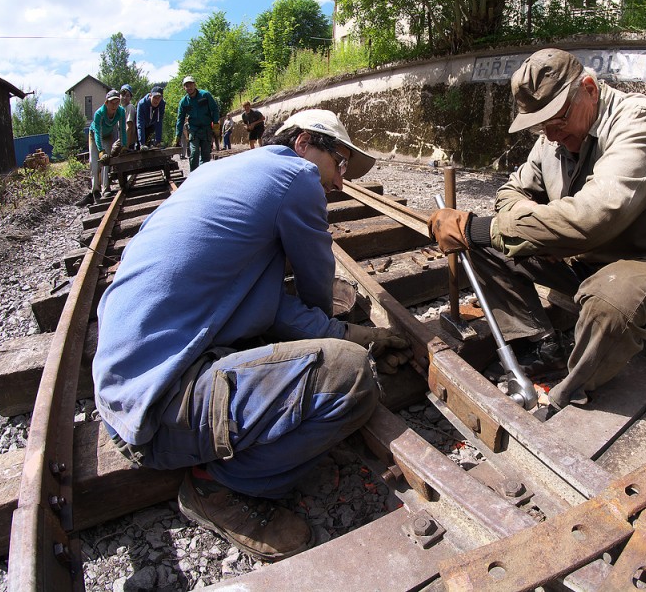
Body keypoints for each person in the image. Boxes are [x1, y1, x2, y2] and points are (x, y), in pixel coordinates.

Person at [93, 109, 410, 562]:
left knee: (313, 352)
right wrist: (341, 341)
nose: (340, 182)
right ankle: (219, 489)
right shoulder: (295, 175)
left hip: (126, 394)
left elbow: (272, 307)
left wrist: (352, 331)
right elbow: (316, 280)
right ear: (302, 143)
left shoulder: (219, 173)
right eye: (339, 162)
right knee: (350, 375)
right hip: (160, 409)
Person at [428, 48, 646, 417]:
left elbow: (594, 217)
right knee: (481, 246)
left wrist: (499, 228)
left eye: (557, 122)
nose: (552, 136)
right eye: (542, 127)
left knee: (608, 300)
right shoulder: (551, 137)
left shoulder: (638, 123)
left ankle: (570, 390)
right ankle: (541, 343)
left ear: (588, 88)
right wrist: (542, 226)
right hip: (582, 260)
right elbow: (512, 191)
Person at [77, 89, 127, 206]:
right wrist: (101, 151)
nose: (114, 105)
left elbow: (123, 130)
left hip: (107, 136)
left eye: (117, 102)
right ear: (106, 103)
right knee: (94, 163)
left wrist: (124, 146)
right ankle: (95, 191)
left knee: (107, 161)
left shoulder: (120, 111)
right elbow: (98, 134)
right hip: (95, 136)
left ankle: (106, 188)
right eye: (112, 102)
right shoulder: (99, 113)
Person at [174, 75, 220, 170]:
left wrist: (215, 124)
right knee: (194, 154)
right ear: (184, 88)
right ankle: (194, 176)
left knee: (206, 155)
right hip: (194, 131)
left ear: (194, 85)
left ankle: (204, 175)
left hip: (206, 129)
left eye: (191, 85)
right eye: (187, 86)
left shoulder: (205, 95)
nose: (189, 87)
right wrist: (177, 136)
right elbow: (180, 119)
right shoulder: (183, 102)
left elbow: (215, 109)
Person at [120, 84, 139, 150]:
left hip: (128, 143)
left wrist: (125, 146)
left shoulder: (130, 107)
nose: (124, 97)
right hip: (121, 142)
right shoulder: (120, 109)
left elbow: (129, 127)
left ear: (130, 97)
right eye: (123, 95)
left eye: (127, 96)